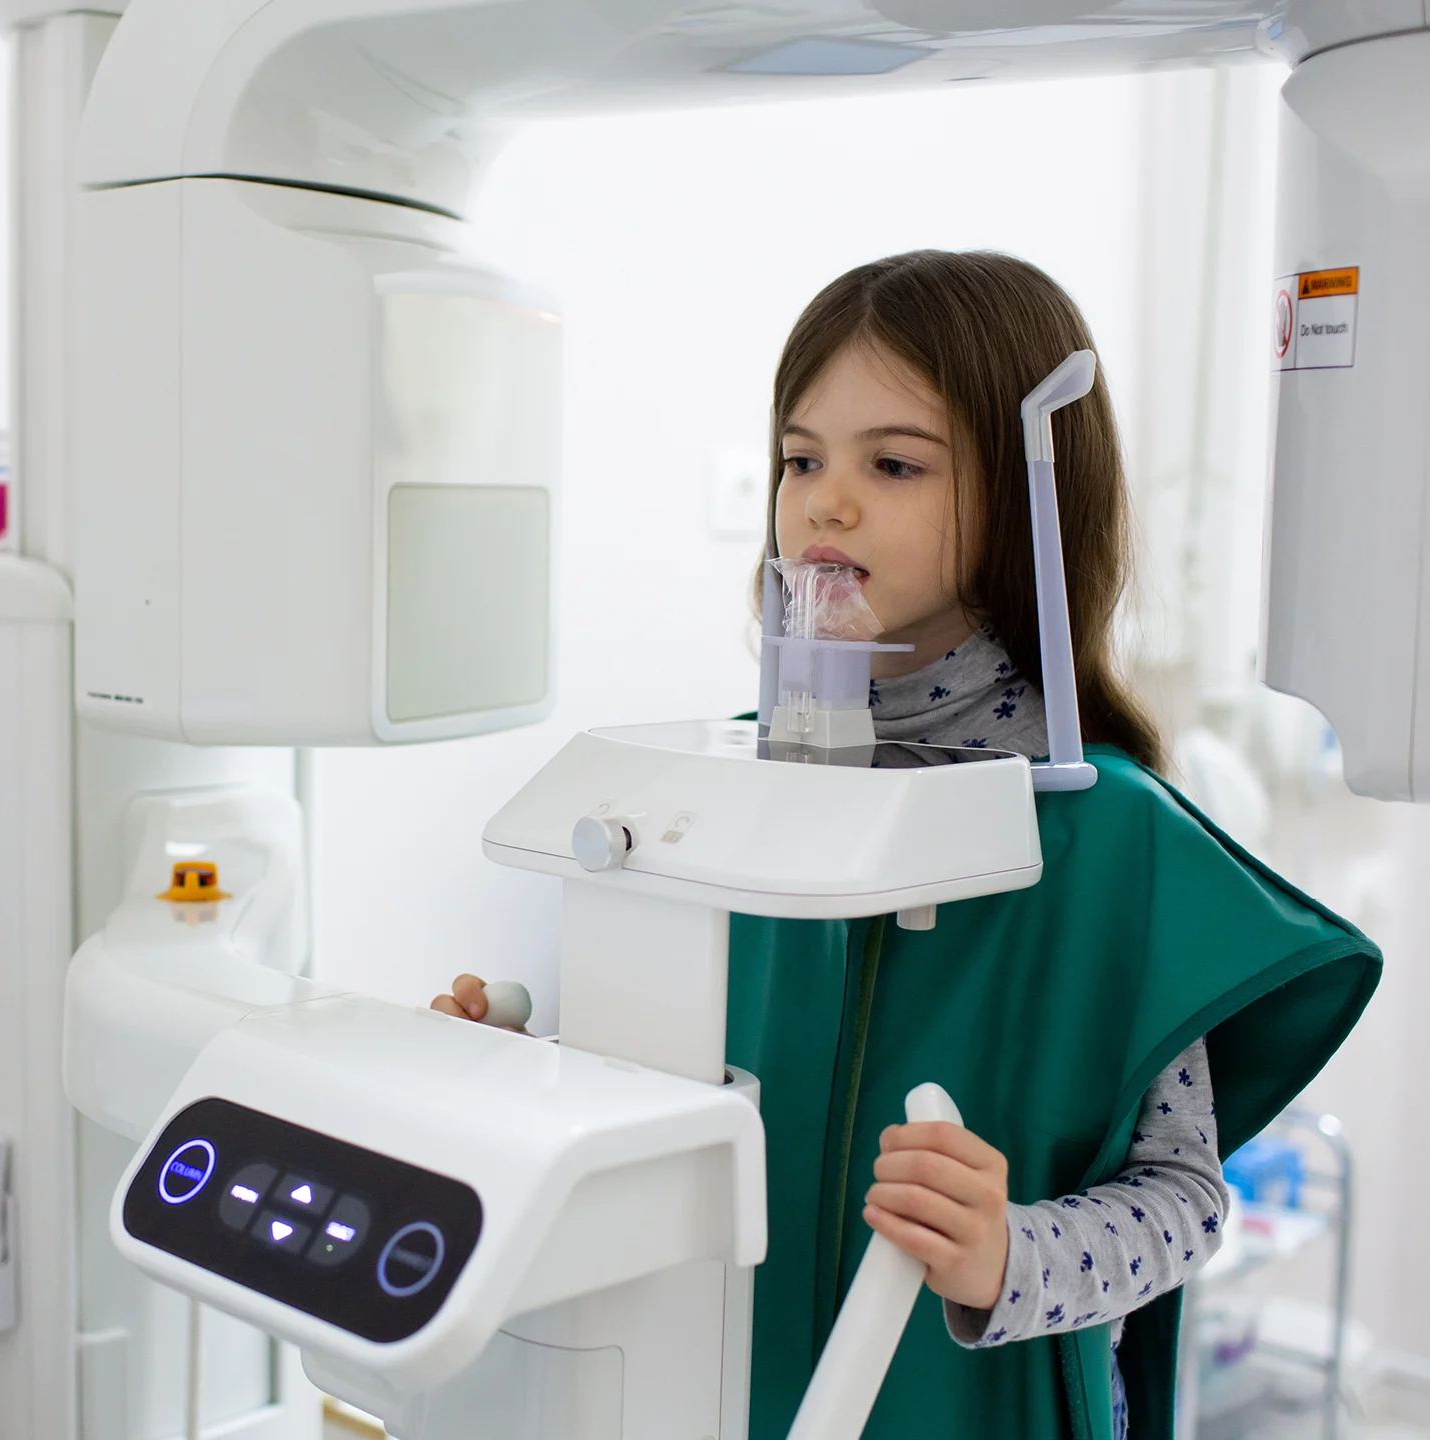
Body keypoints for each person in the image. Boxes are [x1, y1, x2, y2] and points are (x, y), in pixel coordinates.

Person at [434, 250, 1380, 1440]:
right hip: (723, 1384)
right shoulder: (717, 794)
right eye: (801, 459)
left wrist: (1008, 1254)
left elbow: (1183, 1206)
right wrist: (524, 1078)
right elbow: (656, 1099)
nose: (825, 504)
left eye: (893, 463)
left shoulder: (1111, 837)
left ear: (1028, 499)